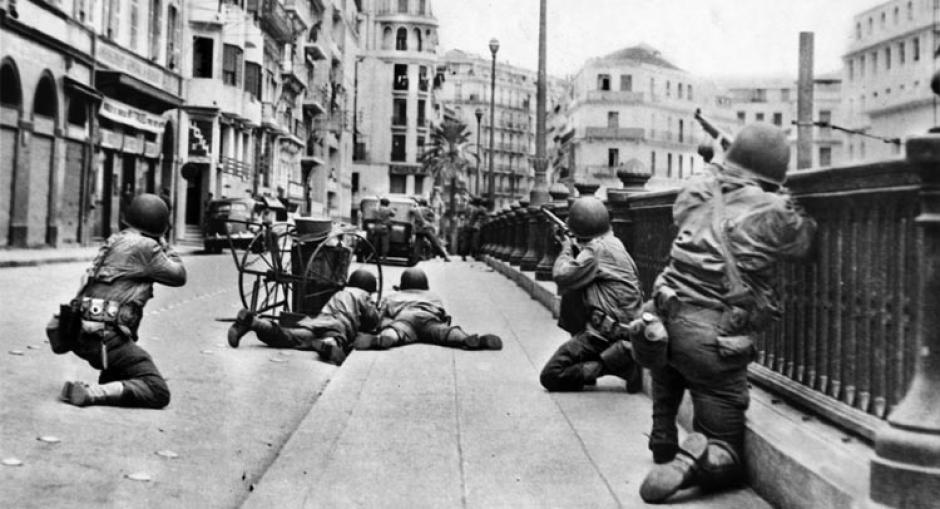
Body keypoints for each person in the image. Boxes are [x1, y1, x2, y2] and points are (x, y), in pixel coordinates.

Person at [636, 123, 816, 504]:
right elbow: (803, 241)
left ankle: (663, 431)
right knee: (728, 451)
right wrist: (784, 197)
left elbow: (679, 215)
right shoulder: (772, 208)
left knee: (669, 363)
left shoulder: (697, 189)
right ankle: (693, 460)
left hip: (662, 314)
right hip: (710, 337)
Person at [49, 194, 187, 408]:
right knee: (157, 390)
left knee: (123, 377)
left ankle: (100, 387)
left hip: (79, 330)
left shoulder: (114, 240)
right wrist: (164, 243)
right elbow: (179, 275)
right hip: (106, 337)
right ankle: (90, 393)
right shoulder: (148, 248)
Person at [538, 196, 644, 393]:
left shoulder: (595, 250)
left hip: (604, 334)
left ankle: (616, 364)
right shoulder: (613, 242)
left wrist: (566, 248)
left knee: (551, 375)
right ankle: (610, 358)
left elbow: (562, 275)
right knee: (574, 291)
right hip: (622, 328)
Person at [226, 269, 381, 365]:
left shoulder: (340, 293)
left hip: (318, 322)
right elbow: (372, 319)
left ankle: (253, 322)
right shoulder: (363, 295)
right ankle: (329, 345)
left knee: (289, 336)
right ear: (368, 288)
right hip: (339, 325)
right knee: (337, 338)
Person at [355, 267, 502, 351]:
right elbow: (443, 315)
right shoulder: (433, 296)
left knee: (397, 330)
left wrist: (382, 326)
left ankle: (385, 339)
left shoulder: (393, 297)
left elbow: (379, 316)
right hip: (428, 317)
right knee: (443, 332)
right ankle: (464, 338)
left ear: (403, 285)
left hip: (406, 318)